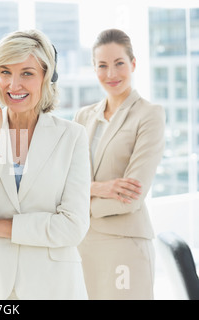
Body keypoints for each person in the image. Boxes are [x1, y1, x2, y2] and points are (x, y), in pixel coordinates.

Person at [0, 29, 91, 300]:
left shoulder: (72, 137)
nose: (13, 85)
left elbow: (72, 227)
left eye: (27, 73)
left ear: (47, 77)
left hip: (52, 286)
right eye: (5, 72)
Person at [73, 29, 166, 300]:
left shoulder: (149, 115)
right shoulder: (83, 116)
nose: (111, 74)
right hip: (83, 244)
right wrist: (99, 188)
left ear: (133, 64)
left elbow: (131, 197)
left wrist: (81, 198)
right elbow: (66, 181)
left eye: (119, 63)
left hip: (124, 244)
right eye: (102, 65)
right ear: (94, 68)